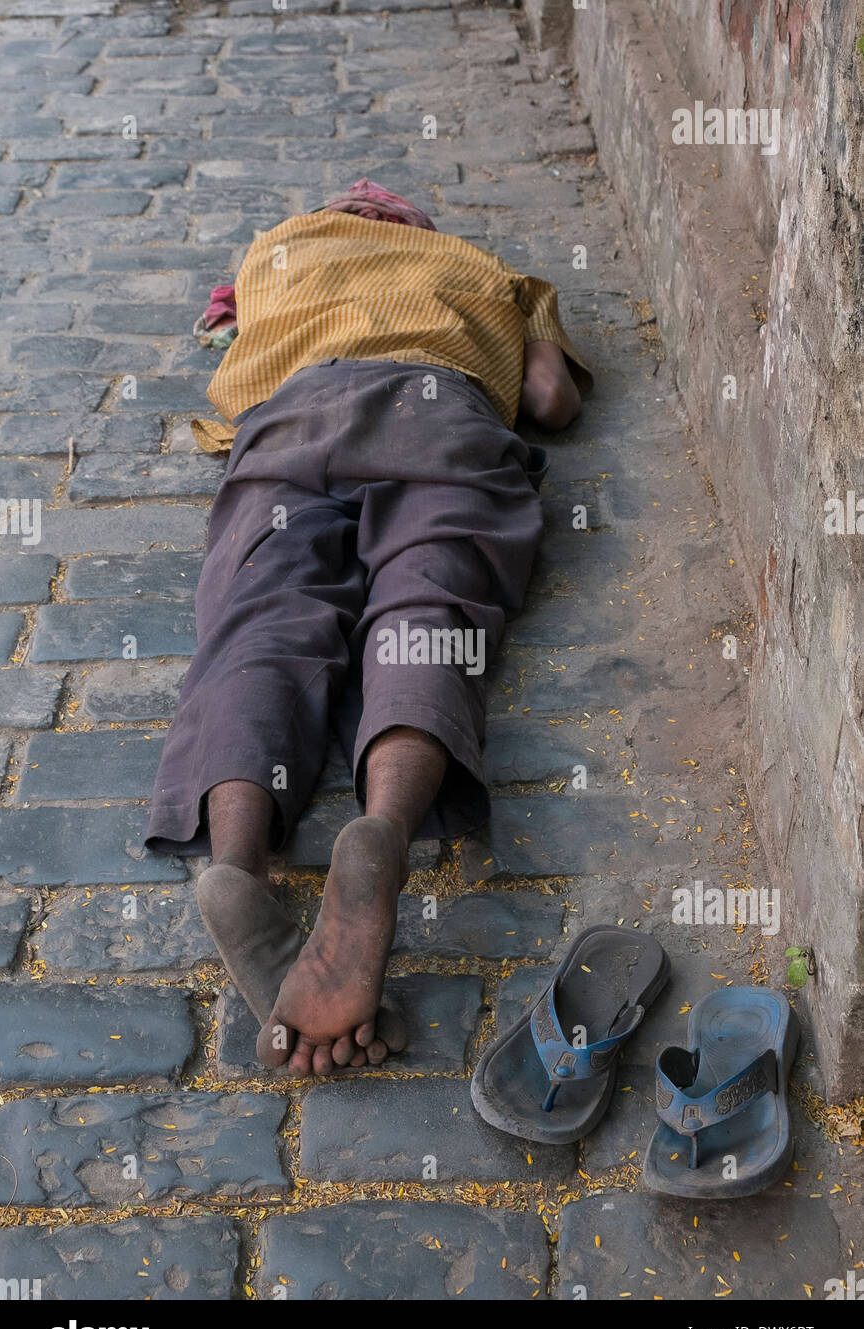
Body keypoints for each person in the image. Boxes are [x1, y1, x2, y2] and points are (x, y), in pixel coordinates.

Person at [145, 177, 592, 1078]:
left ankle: (236, 859)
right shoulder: (490, 272)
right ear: (418, 229)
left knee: (260, 624)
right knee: (429, 614)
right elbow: (552, 402)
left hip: (293, 426)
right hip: (441, 418)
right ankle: (382, 826)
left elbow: (229, 348)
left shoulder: (279, 253)